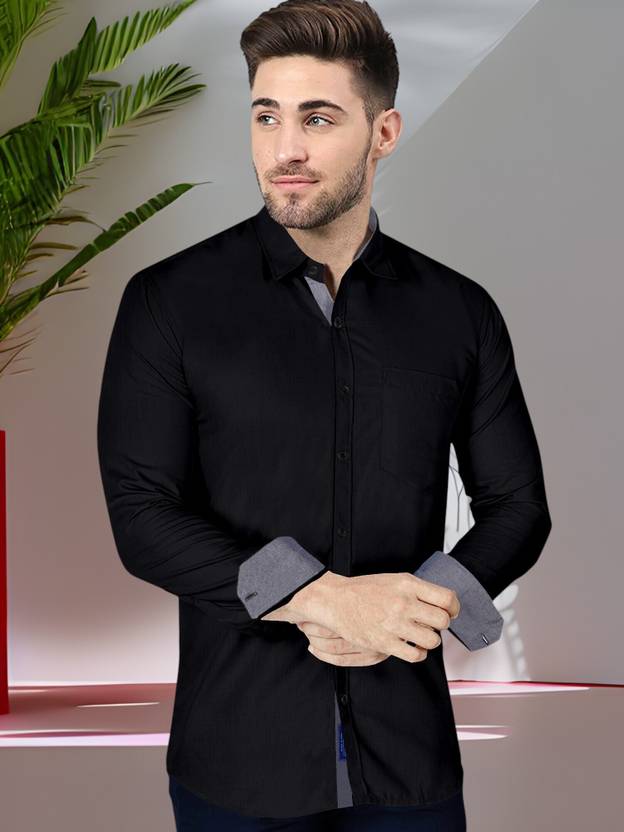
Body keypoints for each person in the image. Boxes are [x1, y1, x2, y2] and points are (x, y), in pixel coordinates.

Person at [96, 1, 552, 829]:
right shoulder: (169, 303)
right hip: (236, 761)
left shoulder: (459, 313)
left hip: (409, 763)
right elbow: (143, 516)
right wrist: (322, 599)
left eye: (317, 118)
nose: (285, 150)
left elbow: (518, 507)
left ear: (384, 133)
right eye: (265, 116)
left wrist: (417, 607)